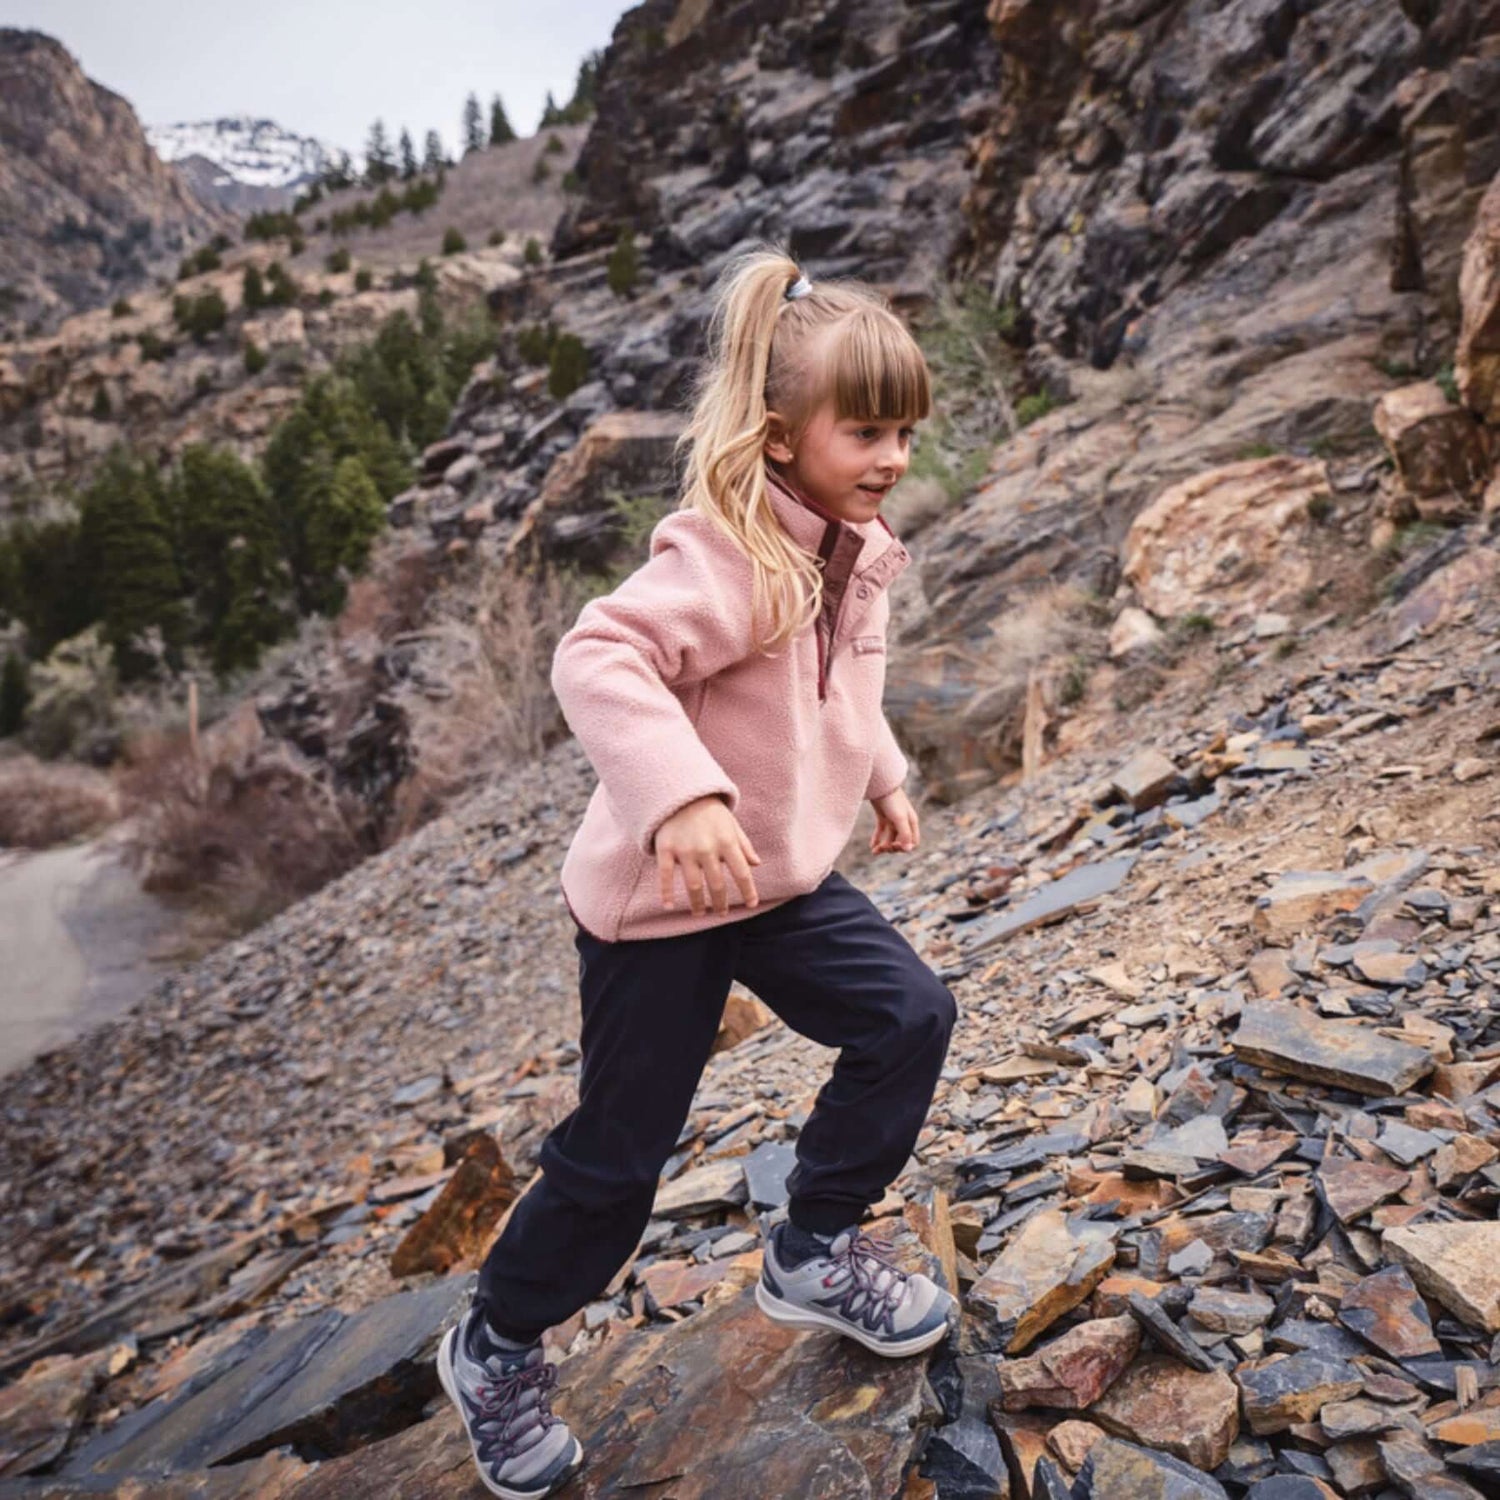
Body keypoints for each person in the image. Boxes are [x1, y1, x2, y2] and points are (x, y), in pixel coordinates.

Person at [437, 243, 960, 1499]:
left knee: (908, 1015)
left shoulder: (858, 544)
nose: (892, 457)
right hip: (663, 908)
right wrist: (678, 796)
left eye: (905, 432)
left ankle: (812, 1248)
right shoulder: (728, 555)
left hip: (781, 884)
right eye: (865, 432)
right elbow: (598, 656)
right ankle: (495, 1344)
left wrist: (883, 776)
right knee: (618, 1166)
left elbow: (843, 694)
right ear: (781, 438)